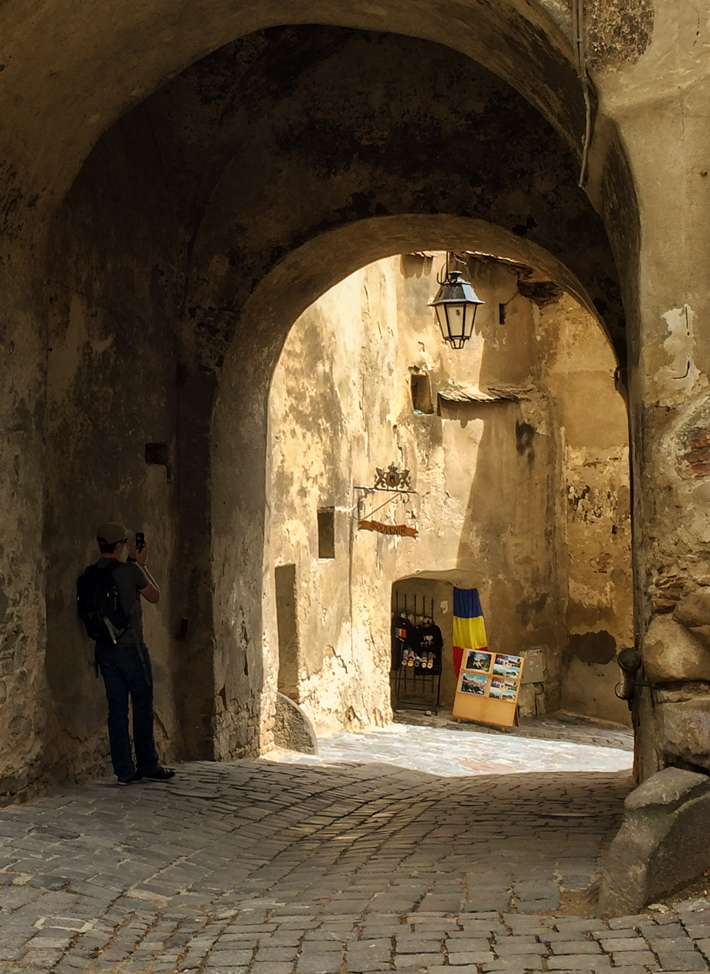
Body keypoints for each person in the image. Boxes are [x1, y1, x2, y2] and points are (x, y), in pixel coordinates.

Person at [92, 521, 175, 785]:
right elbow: (155, 596)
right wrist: (142, 564)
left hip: (104, 649)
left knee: (116, 709)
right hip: (131, 648)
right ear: (118, 546)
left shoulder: (91, 573)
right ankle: (148, 763)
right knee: (142, 703)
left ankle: (124, 770)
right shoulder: (132, 572)